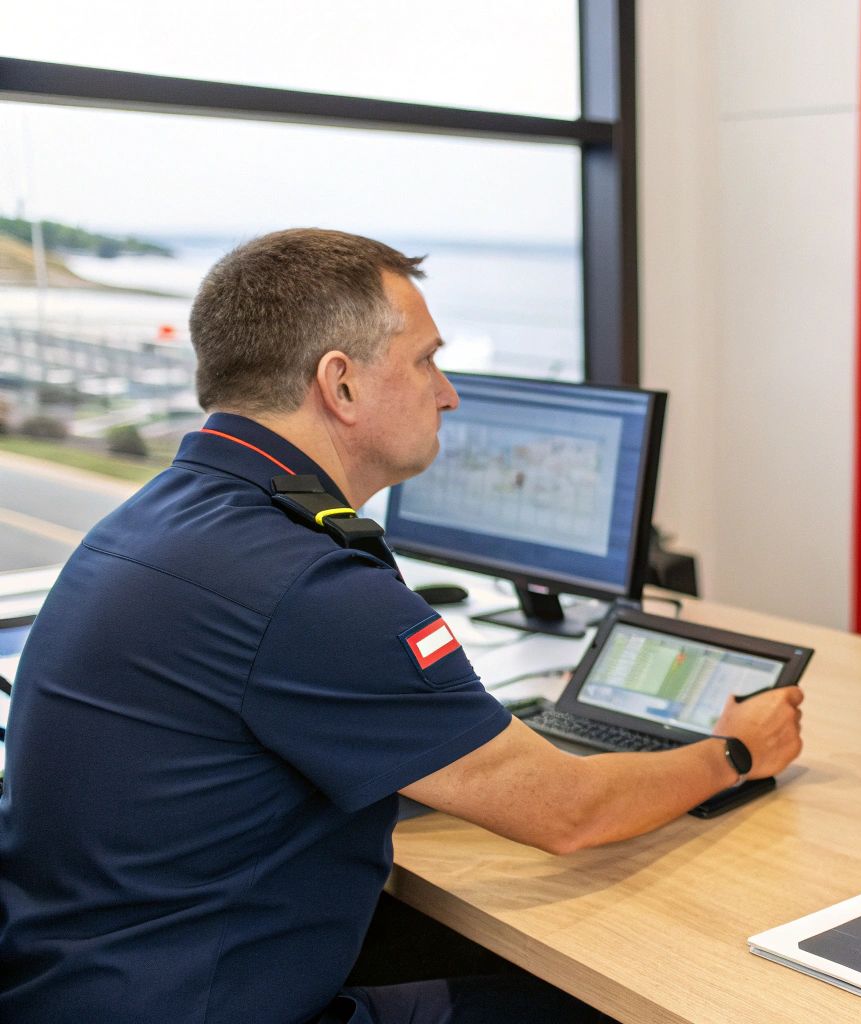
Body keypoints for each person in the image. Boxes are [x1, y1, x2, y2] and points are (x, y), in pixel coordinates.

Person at [0, 229, 806, 1024]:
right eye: (425, 360)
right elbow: (569, 811)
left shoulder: (152, 520)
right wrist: (734, 752)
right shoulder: (305, 580)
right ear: (340, 385)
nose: (448, 391)